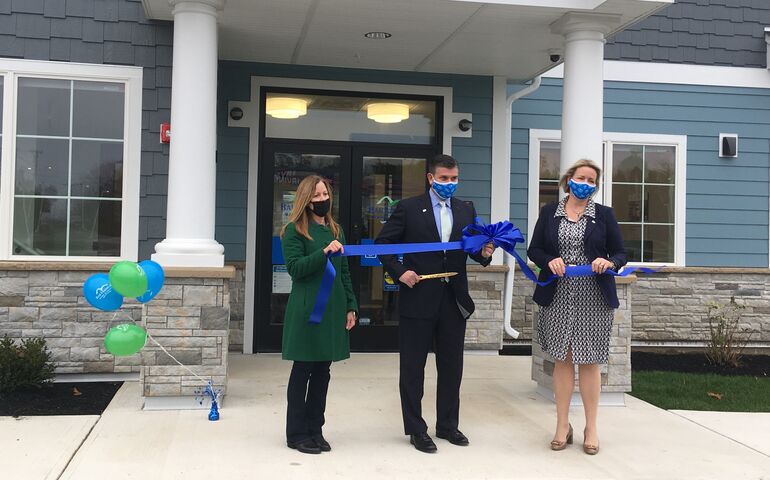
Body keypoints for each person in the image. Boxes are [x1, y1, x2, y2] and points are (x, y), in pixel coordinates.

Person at [375, 154, 495, 453]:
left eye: (454, 178)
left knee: (452, 367)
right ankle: (416, 429)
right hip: (419, 298)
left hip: (453, 299)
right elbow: (383, 245)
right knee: (413, 368)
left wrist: (486, 252)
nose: (450, 184)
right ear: (431, 178)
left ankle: (447, 425)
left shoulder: (466, 209)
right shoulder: (409, 208)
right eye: (444, 178)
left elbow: (474, 251)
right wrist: (401, 272)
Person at [527, 159, 627, 455]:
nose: (585, 183)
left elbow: (620, 252)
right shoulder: (549, 213)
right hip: (558, 294)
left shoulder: (604, 215)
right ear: (568, 179)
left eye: (591, 180)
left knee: (589, 360)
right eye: (580, 177)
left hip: (593, 295)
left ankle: (591, 427)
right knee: (563, 358)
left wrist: (609, 262)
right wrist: (549, 261)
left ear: (596, 186)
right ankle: (562, 425)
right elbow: (535, 249)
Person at [280, 175, 358, 455]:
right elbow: (295, 269)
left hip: (332, 310)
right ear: (305, 200)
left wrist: (351, 305)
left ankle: (315, 429)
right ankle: (296, 433)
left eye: (325, 194)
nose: (322, 200)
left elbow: (345, 272)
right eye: (316, 196)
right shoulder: (294, 231)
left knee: (323, 372)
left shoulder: (336, 230)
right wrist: (323, 253)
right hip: (307, 310)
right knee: (303, 370)